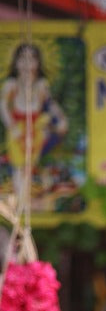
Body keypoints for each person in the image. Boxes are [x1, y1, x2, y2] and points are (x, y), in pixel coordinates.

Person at [0, 42, 68, 200]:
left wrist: (61, 118)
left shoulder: (41, 85)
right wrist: (12, 126)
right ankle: (19, 201)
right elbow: (3, 106)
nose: (27, 63)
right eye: (22, 58)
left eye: (32, 58)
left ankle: (27, 199)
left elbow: (50, 104)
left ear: (38, 63)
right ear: (15, 62)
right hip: (17, 130)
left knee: (30, 166)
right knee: (19, 166)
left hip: (36, 130)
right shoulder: (11, 84)